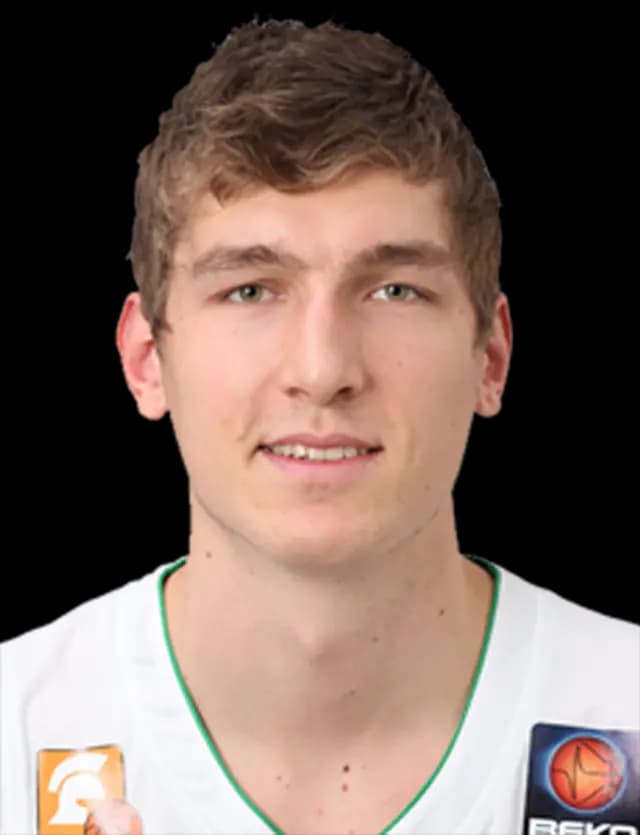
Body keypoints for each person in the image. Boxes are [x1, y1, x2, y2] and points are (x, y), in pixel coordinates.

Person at [1, 17, 638, 835]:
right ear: (146, 359)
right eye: (250, 289)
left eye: (394, 290)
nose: (323, 366)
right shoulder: (15, 732)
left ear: (490, 356)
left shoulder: (625, 702)